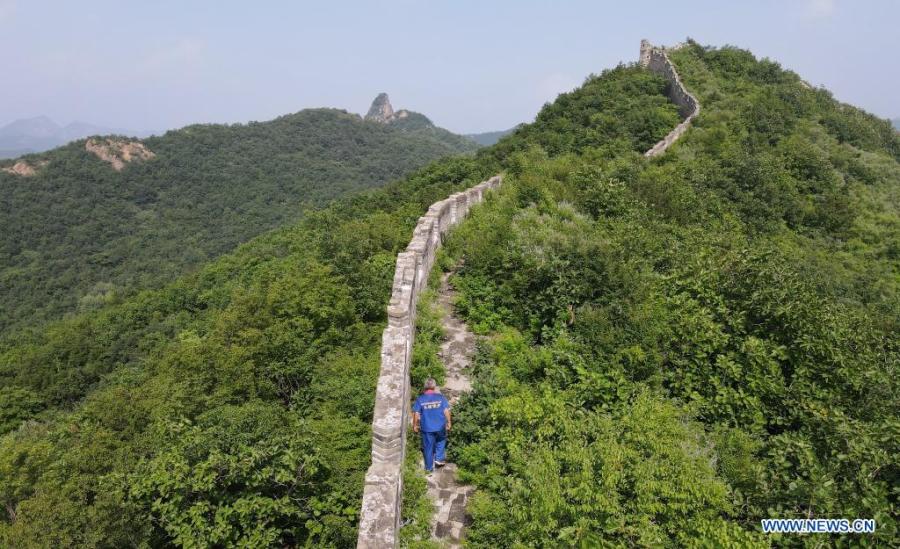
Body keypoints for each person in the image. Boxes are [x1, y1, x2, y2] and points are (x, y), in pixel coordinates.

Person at [411, 377, 451, 473]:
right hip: (440, 426)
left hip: (427, 428)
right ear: (434, 386)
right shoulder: (441, 398)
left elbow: (416, 413)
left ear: (425, 387)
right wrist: (449, 422)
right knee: (441, 440)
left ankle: (429, 468)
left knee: (428, 447)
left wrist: (415, 425)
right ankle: (439, 458)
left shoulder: (420, 399)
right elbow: (446, 411)